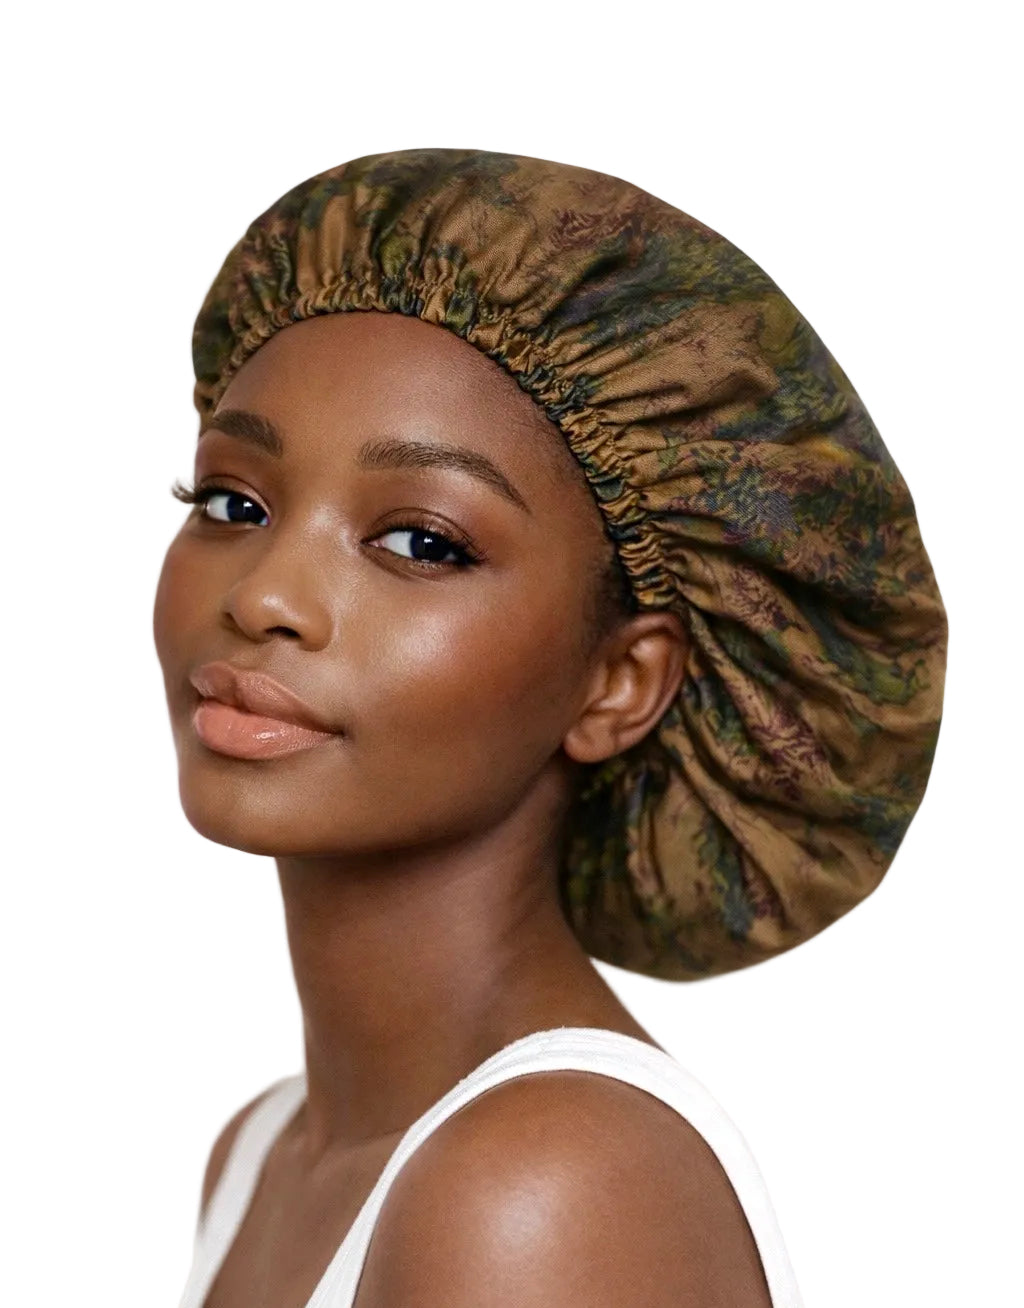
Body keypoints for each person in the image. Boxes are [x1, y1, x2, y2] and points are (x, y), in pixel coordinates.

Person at [155, 148, 946, 1308]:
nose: (264, 594)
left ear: (618, 684)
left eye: (421, 542)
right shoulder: (262, 1151)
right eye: (234, 502)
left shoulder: (541, 1183)